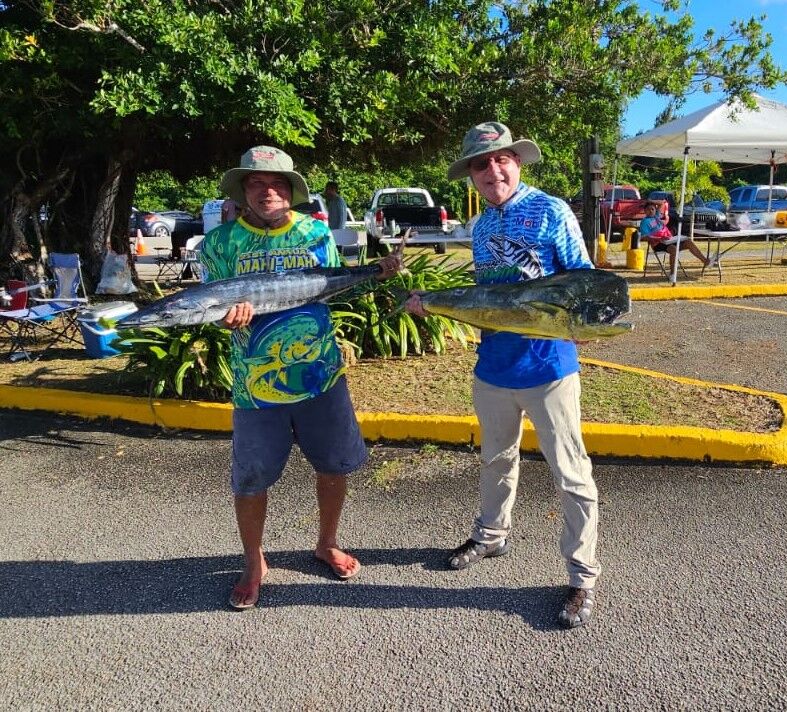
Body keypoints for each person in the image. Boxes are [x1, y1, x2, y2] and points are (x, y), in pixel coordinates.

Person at [406, 122, 601, 629]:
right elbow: (483, 299)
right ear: (471, 175)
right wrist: (431, 305)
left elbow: (581, 279)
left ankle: (582, 577)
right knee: (496, 458)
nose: (493, 169)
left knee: (570, 472)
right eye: (481, 163)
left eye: (501, 159)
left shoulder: (552, 210)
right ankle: (491, 536)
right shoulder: (482, 227)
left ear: (516, 162)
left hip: (548, 367)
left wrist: (582, 322)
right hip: (493, 368)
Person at [200, 146, 403, 610]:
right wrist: (224, 319)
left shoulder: (314, 231)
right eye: (257, 183)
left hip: (320, 376)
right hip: (256, 386)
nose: (267, 190)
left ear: (291, 191)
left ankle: (326, 542)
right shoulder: (218, 244)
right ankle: (254, 561)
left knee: (333, 466)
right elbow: (209, 308)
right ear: (243, 190)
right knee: (249, 479)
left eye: (278, 183)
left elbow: (331, 283)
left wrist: (378, 271)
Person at [639, 201, 713, 271]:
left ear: (655, 210)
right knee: (673, 249)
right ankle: (672, 274)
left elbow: (662, 203)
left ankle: (705, 261)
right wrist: (660, 238)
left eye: (652, 209)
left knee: (688, 242)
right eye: (648, 209)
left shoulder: (656, 216)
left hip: (669, 240)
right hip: (658, 243)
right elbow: (645, 237)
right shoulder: (644, 222)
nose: (651, 211)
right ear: (645, 211)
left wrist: (651, 201)